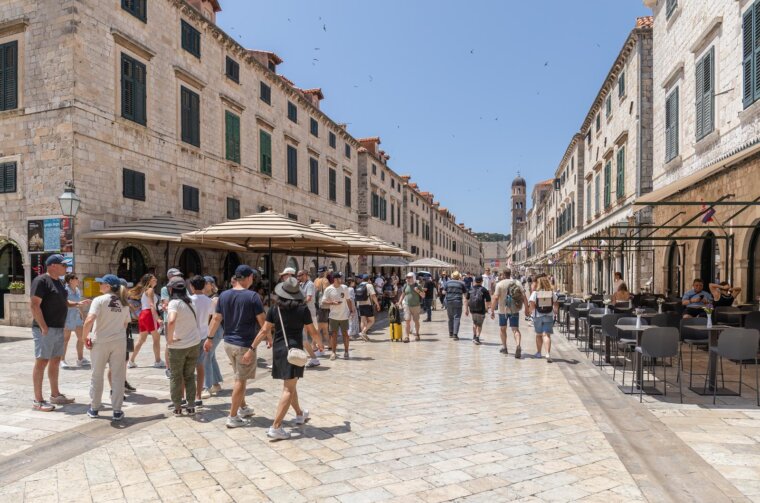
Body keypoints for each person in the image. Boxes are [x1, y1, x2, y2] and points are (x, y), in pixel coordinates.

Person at [253, 277, 324, 440]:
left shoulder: (275, 309)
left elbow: (264, 330)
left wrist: (252, 348)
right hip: (294, 351)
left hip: (279, 351)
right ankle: (276, 427)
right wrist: (319, 344)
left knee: (290, 384)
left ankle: (299, 414)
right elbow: (312, 331)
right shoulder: (302, 309)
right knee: (288, 389)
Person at [205, 265, 266, 427]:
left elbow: (216, 318)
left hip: (228, 343)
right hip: (245, 344)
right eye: (252, 277)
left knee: (239, 376)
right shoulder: (253, 296)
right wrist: (268, 336)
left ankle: (243, 407)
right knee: (241, 380)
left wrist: (209, 338)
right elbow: (262, 321)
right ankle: (232, 417)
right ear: (248, 277)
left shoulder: (224, 295)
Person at [29, 254, 88, 411]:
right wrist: (43, 327)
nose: (66, 268)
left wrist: (76, 304)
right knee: (42, 361)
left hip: (58, 327)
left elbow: (63, 302)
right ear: (53, 265)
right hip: (45, 328)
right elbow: (34, 305)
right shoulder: (41, 281)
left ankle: (55, 395)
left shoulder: (60, 282)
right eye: (64, 265)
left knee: (55, 360)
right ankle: (38, 400)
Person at [83, 275, 131, 421]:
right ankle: (117, 410)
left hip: (100, 341)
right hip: (119, 342)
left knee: (97, 375)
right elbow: (125, 324)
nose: (99, 285)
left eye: (101, 283)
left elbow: (89, 319)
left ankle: (94, 408)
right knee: (118, 376)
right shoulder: (124, 303)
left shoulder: (99, 300)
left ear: (108, 286)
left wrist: (85, 337)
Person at [128, 274, 163, 369]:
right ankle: (158, 361)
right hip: (149, 315)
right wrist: (157, 318)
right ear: (149, 281)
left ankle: (131, 361)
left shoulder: (145, 291)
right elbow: (151, 305)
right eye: (153, 278)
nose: (156, 279)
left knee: (141, 340)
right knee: (156, 339)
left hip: (143, 314)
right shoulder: (150, 290)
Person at [189, 275, 213, 408]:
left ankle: (188, 396)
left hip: (190, 336)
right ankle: (198, 395)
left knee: (188, 367)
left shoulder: (189, 300)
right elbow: (211, 317)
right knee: (200, 365)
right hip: (203, 334)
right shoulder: (209, 301)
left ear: (192, 286)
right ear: (204, 286)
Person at [490, 268, 526, 358]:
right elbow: (524, 296)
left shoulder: (500, 284)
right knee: (515, 329)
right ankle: (518, 345)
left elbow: (495, 298)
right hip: (514, 309)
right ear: (510, 274)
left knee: (503, 329)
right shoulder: (517, 282)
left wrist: (492, 310)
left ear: (503, 274)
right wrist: (527, 308)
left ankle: (505, 347)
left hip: (503, 310)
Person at [201, 276, 224, 398]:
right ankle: (216, 384)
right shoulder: (204, 298)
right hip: (209, 330)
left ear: (211, 285)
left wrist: (208, 335)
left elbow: (214, 318)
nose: (204, 285)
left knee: (206, 356)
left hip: (214, 330)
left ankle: (207, 387)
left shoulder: (215, 299)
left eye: (206, 283)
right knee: (211, 356)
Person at [323, 272, 354, 360]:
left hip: (344, 315)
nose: (341, 280)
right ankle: (333, 353)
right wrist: (332, 303)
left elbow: (348, 300)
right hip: (333, 316)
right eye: (340, 278)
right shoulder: (328, 289)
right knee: (333, 335)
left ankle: (346, 352)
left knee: (345, 334)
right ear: (335, 279)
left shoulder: (344, 288)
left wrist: (351, 311)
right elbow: (323, 301)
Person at [527, 276, 558, 363]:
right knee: (546, 335)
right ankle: (547, 353)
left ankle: (539, 353)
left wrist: (531, 312)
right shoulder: (551, 293)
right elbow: (556, 303)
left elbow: (532, 304)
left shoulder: (535, 293)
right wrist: (555, 312)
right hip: (548, 315)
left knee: (539, 335)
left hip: (537, 316)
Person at [159, 268, 183, 377]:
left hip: (181, 319)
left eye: (179, 275)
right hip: (169, 319)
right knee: (169, 344)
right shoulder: (165, 289)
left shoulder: (183, 287)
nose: (178, 277)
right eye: (176, 275)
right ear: (169, 277)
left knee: (179, 342)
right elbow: (166, 303)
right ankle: (168, 368)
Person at [62, 273, 88, 368]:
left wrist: (83, 315)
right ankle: (62, 360)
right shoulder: (65, 290)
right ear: (70, 280)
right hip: (67, 316)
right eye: (76, 278)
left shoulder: (77, 290)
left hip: (76, 317)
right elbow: (64, 303)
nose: (78, 280)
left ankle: (80, 359)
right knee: (66, 339)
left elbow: (79, 304)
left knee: (81, 338)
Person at [297, 270, 322, 367]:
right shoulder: (301, 284)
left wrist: (298, 305)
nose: (298, 277)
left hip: (309, 312)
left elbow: (309, 298)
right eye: (298, 275)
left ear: (305, 275)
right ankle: (311, 350)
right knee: (304, 332)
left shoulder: (310, 284)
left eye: (300, 275)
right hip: (303, 312)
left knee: (313, 331)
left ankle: (318, 347)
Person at [396, 272, 424, 342]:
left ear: (413, 278)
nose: (407, 279)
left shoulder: (418, 286)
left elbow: (423, 295)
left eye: (409, 277)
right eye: (407, 277)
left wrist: (418, 291)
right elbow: (403, 295)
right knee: (407, 321)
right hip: (407, 305)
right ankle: (406, 337)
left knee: (416, 321)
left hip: (416, 306)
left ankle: (417, 334)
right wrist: (399, 302)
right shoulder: (405, 285)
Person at [465, 276, 491, 345]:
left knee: (474, 323)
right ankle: (477, 338)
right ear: (482, 281)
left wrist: (466, 309)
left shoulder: (470, 289)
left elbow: (466, 300)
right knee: (479, 324)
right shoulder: (484, 290)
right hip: (481, 309)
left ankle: (474, 336)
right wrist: (486, 309)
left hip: (472, 309)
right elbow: (488, 301)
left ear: (474, 281)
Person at [355, 274, 381, 340]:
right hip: (367, 304)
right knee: (372, 320)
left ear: (362, 279)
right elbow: (373, 296)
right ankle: (363, 332)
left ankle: (363, 335)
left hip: (360, 305)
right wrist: (377, 304)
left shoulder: (359, 285)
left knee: (362, 320)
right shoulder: (369, 285)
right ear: (368, 279)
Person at [444, 271, 467, 340]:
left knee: (450, 318)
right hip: (458, 301)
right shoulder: (462, 283)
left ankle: (450, 333)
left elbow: (443, 292)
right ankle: (455, 334)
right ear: (459, 277)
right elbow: (465, 294)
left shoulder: (448, 283)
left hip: (449, 301)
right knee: (457, 317)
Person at [313, 267, 331, 351]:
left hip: (320, 306)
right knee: (322, 326)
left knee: (320, 326)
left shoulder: (318, 280)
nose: (320, 273)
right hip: (322, 306)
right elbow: (326, 293)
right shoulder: (324, 280)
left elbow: (323, 293)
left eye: (321, 272)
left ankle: (315, 345)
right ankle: (328, 344)